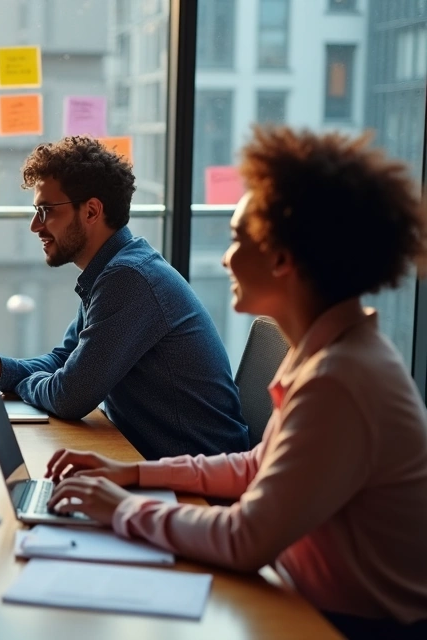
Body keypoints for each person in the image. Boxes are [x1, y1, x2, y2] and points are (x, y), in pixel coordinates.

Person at [44, 128, 427, 638]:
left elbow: (246, 539)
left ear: (282, 259)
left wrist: (121, 509)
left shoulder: (341, 379)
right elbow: (256, 465)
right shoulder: (330, 352)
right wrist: (132, 476)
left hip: (345, 626)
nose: (225, 258)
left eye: (237, 239)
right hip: (300, 597)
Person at [0, 136, 248, 459]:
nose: (35, 226)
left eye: (46, 210)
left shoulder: (128, 278)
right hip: (151, 459)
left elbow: (69, 396)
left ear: (92, 211)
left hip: (192, 481)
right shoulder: (113, 270)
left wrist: (22, 383)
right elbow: (64, 360)